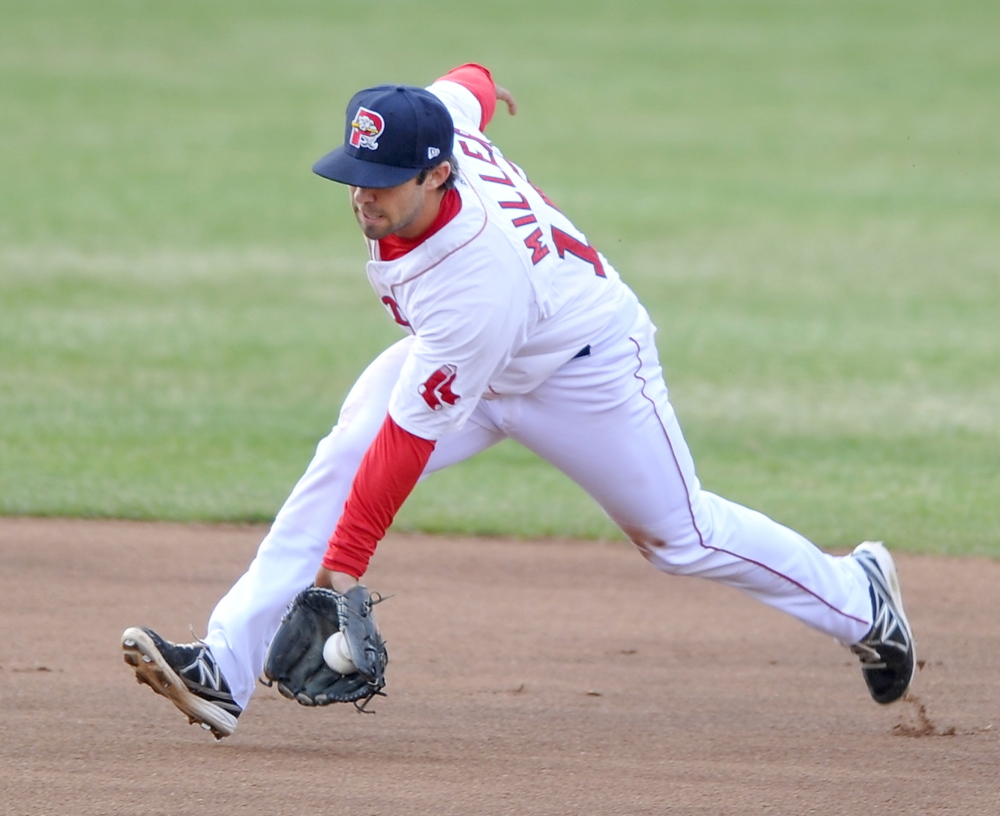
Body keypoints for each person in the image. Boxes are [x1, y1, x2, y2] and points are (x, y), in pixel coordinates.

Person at [121, 63, 915, 739]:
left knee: (680, 534)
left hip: (584, 371)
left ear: (437, 173)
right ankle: (224, 667)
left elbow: (407, 443)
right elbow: (468, 84)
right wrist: (494, 83)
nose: (362, 195)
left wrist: (341, 577)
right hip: (474, 356)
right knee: (336, 466)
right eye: (354, 175)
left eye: (382, 181)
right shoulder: (436, 130)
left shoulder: (474, 278)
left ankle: (861, 600)